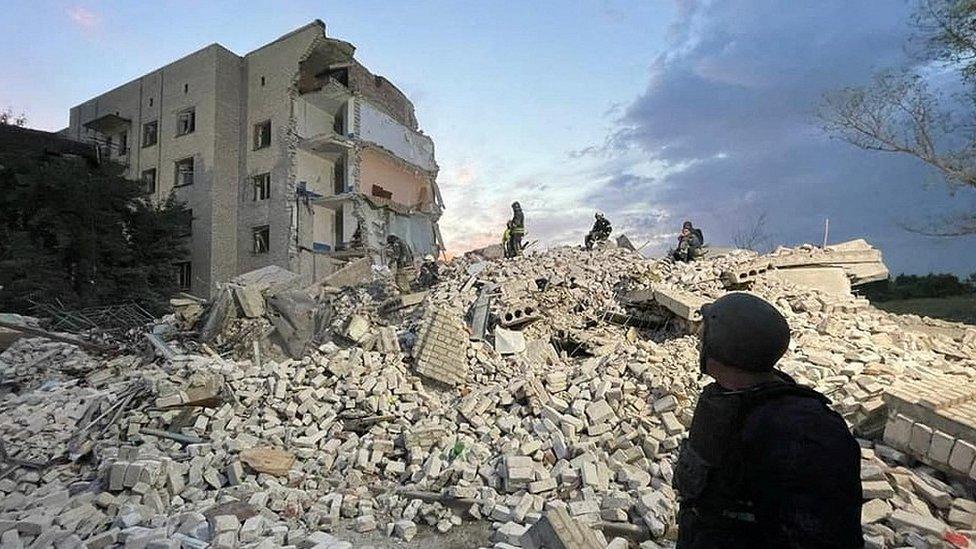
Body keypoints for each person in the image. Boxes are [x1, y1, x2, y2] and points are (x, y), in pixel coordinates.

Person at [674, 292, 863, 548]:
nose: (699, 340)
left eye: (704, 334)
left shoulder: (801, 431)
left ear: (722, 348)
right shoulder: (728, 397)